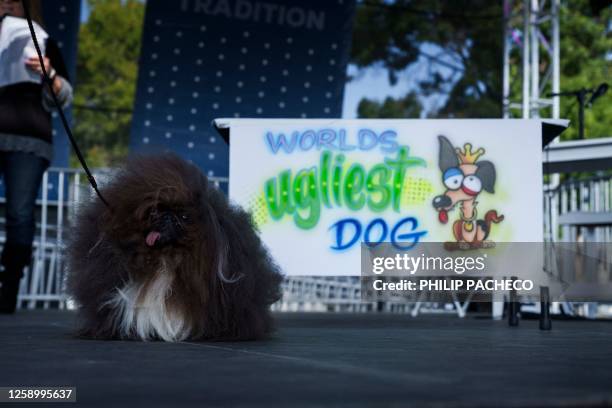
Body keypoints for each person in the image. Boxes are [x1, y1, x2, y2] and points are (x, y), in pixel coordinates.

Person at [0, 0, 73, 313]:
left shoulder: (43, 40)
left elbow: (65, 95)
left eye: (15, 0)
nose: (7, 4)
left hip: (29, 137)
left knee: (20, 213)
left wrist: (50, 75)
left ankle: (9, 284)